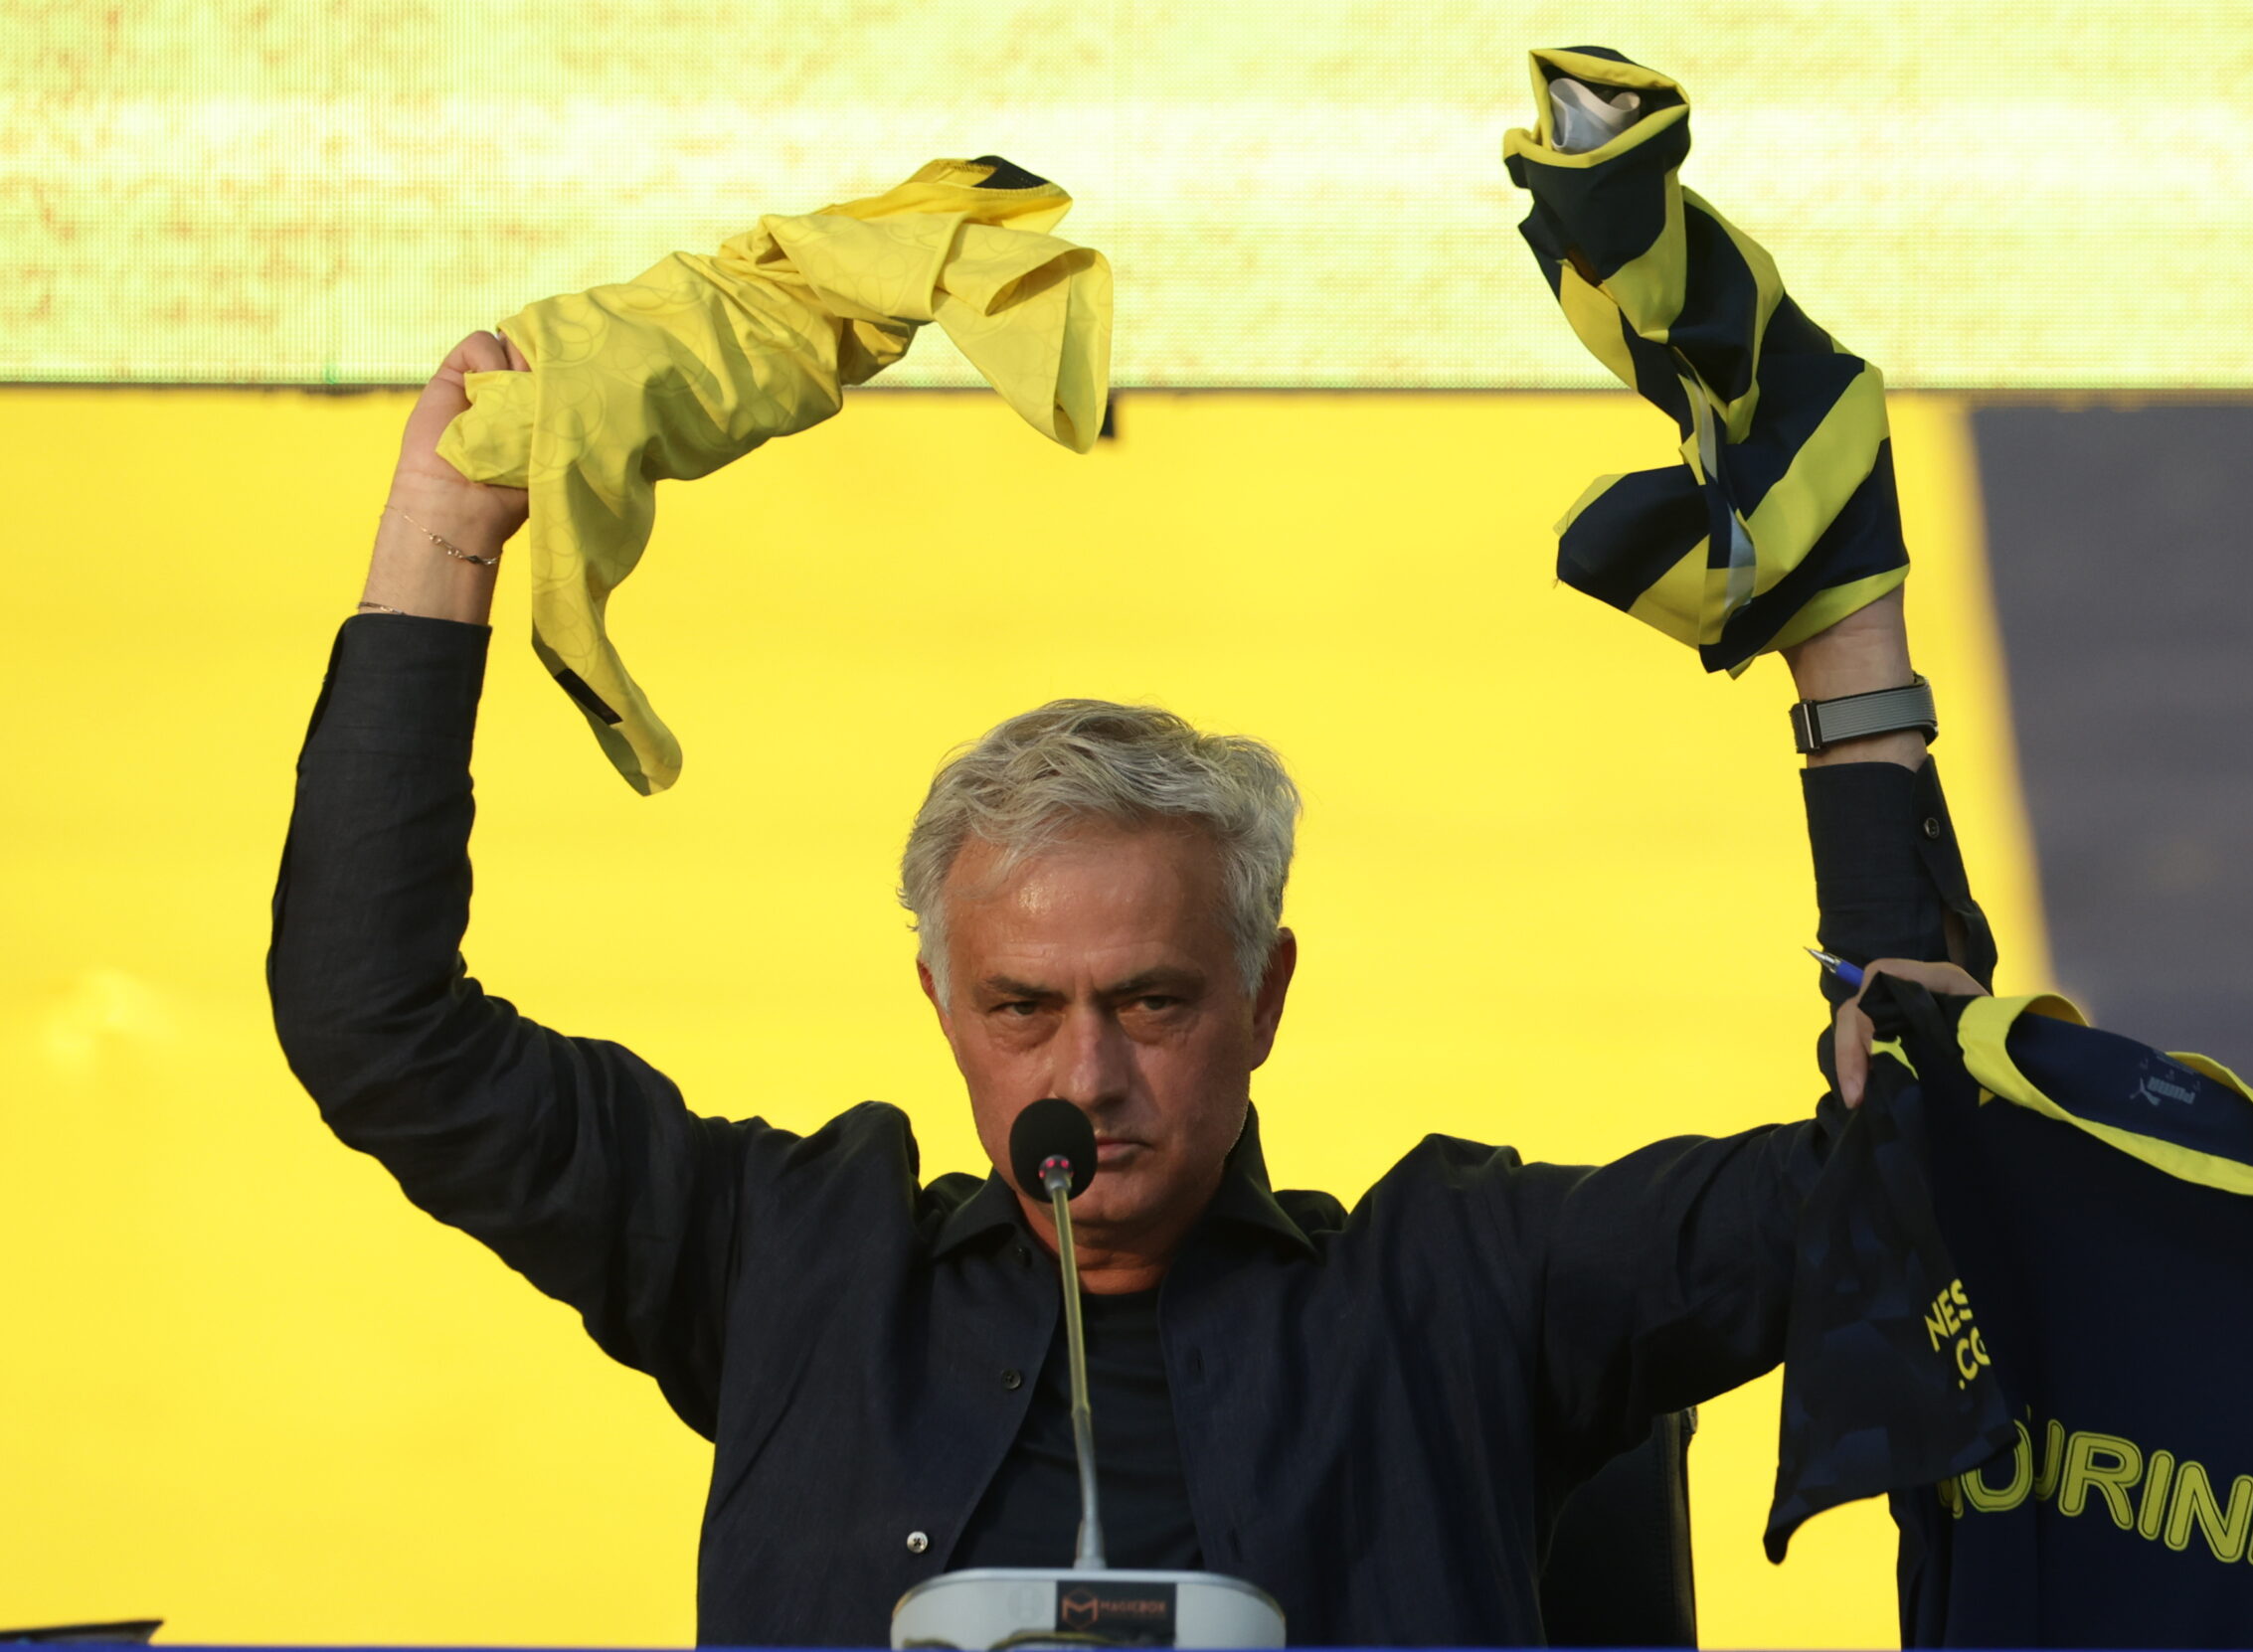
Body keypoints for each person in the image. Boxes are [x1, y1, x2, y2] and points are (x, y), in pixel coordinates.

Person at [271, 332, 2030, 1646]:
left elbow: (1925, 1166)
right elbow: (380, 1028)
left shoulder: (1463, 1291)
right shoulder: (789, 1260)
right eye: (1023, 1006)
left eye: (1157, 1003)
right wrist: (445, 537)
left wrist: (1848, 663)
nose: (1087, 1074)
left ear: (1267, 1000)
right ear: (940, 1001)